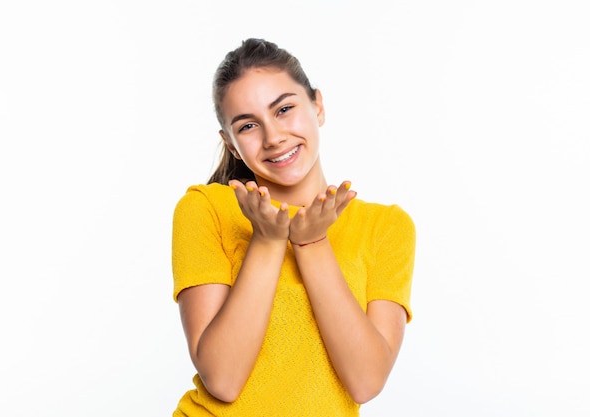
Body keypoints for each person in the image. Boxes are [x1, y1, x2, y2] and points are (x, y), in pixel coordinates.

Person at [171, 38, 415, 417]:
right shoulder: (206, 209)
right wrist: (268, 241)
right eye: (249, 125)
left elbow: (366, 381)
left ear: (317, 105)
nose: (273, 137)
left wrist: (312, 243)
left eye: (284, 109)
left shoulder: (385, 226)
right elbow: (222, 378)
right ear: (232, 145)